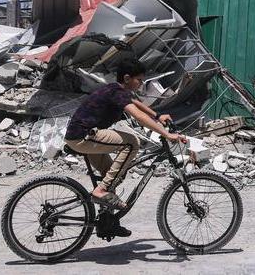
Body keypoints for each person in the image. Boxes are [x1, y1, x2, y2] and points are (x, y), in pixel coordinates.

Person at [65, 58, 187, 212]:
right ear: (127, 78)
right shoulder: (117, 92)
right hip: (84, 136)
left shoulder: (116, 90)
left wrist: (157, 116)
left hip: (80, 136)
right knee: (131, 143)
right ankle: (100, 191)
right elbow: (138, 115)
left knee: (112, 174)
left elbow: (135, 102)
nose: (141, 84)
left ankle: (107, 218)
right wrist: (166, 134)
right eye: (139, 80)